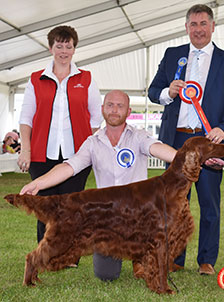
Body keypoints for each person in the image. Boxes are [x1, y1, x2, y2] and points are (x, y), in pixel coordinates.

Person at [20, 89, 177, 282]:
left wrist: (187, 158)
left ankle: (140, 256)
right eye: (110, 105)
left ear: (128, 111)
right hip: (107, 217)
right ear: (102, 109)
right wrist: (39, 182)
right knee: (106, 275)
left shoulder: (138, 137)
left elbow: (158, 149)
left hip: (138, 214)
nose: (114, 110)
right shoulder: (92, 142)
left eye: (120, 106)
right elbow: (69, 167)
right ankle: (126, 252)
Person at [148, 4, 224, 275]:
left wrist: (223, 129)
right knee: (176, 203)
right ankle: (176, 258)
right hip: (176, 141)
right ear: (186, 27)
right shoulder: (172, 55)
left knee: (210, 202)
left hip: (209, 141)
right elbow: (153, 91)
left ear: (213, 26)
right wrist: (169, 91)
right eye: (193, 24)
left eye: (203, 24)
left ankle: (206, 261)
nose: (198, 29)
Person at [17, 25, 103, 244]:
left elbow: (95, 117)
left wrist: (88, 149)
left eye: (68, 46)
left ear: (74, 49)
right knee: (45, 206)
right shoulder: (36, 79)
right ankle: (45, 252)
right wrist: (25, 150)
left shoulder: (87, 78)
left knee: (71, 207)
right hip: (41, 156)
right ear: (50, 48)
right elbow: (26, 118)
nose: (63, 51)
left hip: (76, 156)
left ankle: (69, 254)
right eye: (59, 46)